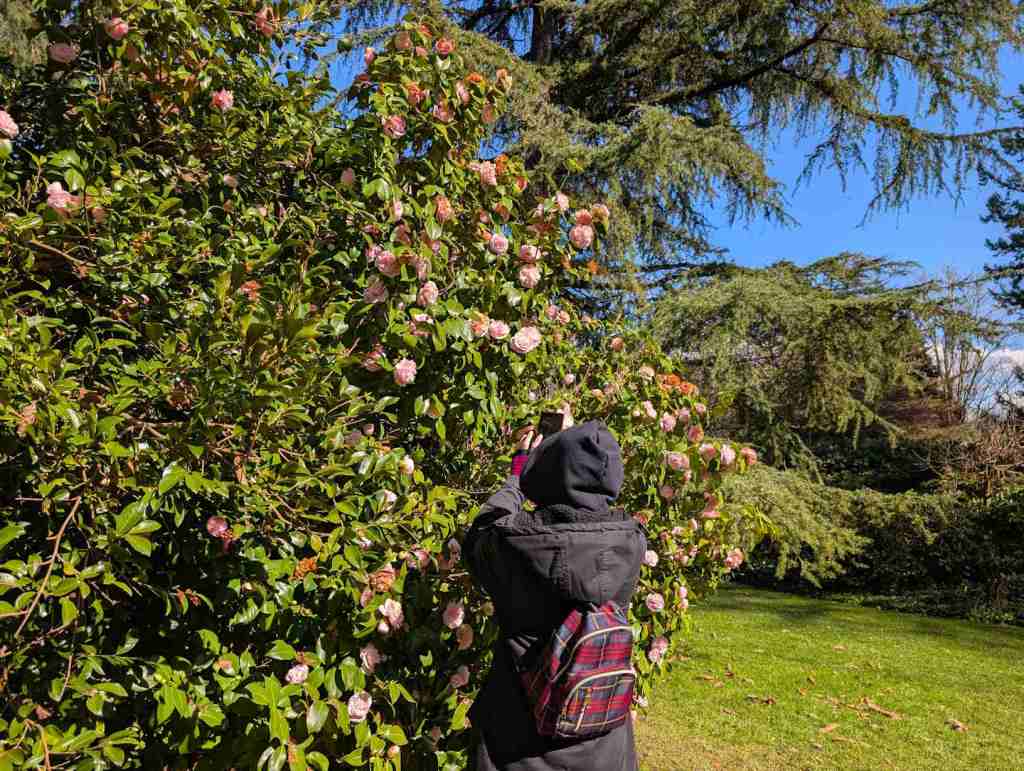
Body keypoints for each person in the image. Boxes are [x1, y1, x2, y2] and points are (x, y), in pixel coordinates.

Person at [463, 417, 646, 771]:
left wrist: (519, 470)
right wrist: (577, 458)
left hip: (518, 742)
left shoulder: (517, 545)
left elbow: (482, 531)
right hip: (602, 737)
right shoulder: (633, 540)